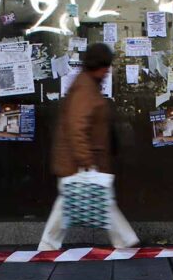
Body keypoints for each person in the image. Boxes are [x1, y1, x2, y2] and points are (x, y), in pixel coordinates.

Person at [38, 43, 139, 251]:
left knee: (81, 201)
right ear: (98, 66)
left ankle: (125, 240)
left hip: (77, 161)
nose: (108, 71)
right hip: (78, 162)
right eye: (106, 66)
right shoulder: (85, 89)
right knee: (89, 200)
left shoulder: (87, 85)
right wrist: (86, 160)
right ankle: (125, 240)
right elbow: (77, 128)